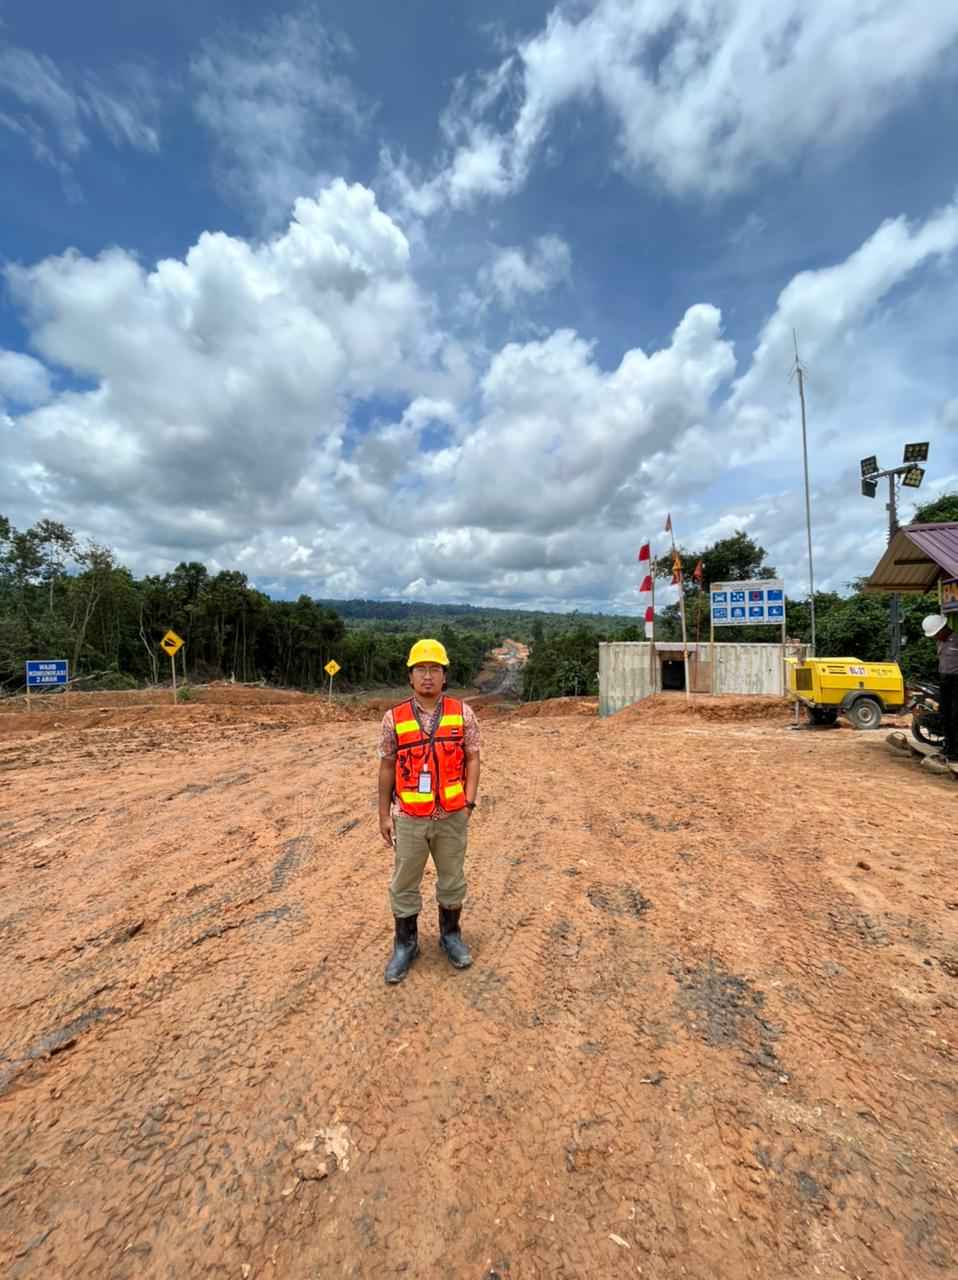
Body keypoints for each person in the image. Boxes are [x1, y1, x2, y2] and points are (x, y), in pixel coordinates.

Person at [378, 639, 481, 984]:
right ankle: (405, 945)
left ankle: (450, 936)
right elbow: (386, 767)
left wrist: (468, 802)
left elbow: (473, 758)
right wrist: (383, 815)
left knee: (452, 878)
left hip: (451, 816)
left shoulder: (463, 713)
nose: (427, 676)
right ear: (410, 676)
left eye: (434, 669)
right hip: (409, 817)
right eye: (420, 669)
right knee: (404, 881)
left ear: (444, 675)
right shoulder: (393, 718)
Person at [922, 614, 958, 762]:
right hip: (945, 680)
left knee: (956, 716)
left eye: (936, 634)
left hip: (957, 682)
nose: (935, 637)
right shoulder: (940, 642)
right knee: (945, 714)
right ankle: (949, 746)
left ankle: (956, 751)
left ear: (943, 628)